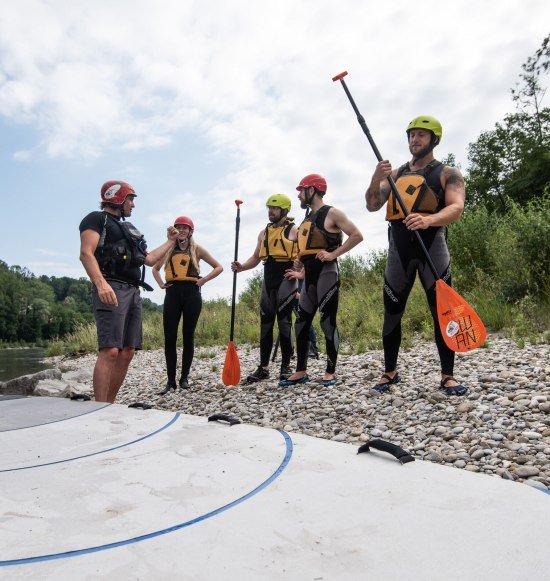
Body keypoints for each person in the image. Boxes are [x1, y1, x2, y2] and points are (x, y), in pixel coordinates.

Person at [365, 115, 468, 396]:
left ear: (434, 139)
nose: (415, 140)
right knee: (392, 310)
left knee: (442, 313)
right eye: (411, 135)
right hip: (399, 250)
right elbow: (373, 204)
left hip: (431, 247)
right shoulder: (395, 174)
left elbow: (456, 208)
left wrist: (428, 220)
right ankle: (390, 372)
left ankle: (448, 375)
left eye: (421, 135)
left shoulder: (448, 173)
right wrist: (376, 176)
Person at [79, 180, 179, 403]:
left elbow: (150, 259)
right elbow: (86, 253)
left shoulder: (129, 229)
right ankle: (99, 407)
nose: (133, 204)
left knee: (127, 352)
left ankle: (109, 405)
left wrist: (170, 241)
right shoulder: (96, 219)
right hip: (111, 288)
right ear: (117, 198)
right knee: (110, 350)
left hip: (133, 292)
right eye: (130, 199)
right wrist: (101, 284)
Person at [279, 174, 363, 387]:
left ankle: (330, 371)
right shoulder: (306, 219)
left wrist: (333, 255)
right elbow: (305, 247)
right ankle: (300, 371)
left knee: (327, 321)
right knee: (302, 323)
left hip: (327, 273)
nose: (298, 194)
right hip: (310, 277)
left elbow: (356, 235)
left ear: (313, 190)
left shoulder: (332, 213)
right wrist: (299, 261)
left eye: (301, 190)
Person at [231, 194, 298, 382]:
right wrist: (242, 266)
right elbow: (256, 258)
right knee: (265, 324)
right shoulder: (264, 233)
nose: (271, 211)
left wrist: (300, 273)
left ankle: (286, 366)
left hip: (286, 277)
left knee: (284, 321)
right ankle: (263, 367)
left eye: (274, 209)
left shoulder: (294, 230)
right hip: (268, 278)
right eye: (269, 208)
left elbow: (304, 254)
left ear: (284, 211)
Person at [153, 216, 223, 393]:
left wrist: (203, 280)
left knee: (188, 336)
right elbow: (155, 268)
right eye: (179, 228)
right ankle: (170, 381)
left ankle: (184, 378)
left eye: (185, 228)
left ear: (191, 231)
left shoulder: (197, 249)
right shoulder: (168, 249)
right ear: (175, 230)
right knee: (169, 337)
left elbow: (218, 267)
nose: (182, 230)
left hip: (192, 293)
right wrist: (161, 284)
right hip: (172, 293)